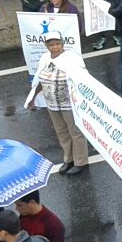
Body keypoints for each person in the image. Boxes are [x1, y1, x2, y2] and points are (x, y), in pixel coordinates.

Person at [24, 31, 88, 175]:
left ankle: (80, 161)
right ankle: (68, 159)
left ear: (62, 43)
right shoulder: (45, 58)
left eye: (57, 44)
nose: (55, 47)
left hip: (69, 103)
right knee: (61, 132)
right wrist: (33, 97)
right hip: (52, 103)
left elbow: (82, 78)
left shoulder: (71, 58)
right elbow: (40, 79)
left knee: (75, 132)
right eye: (51, 45)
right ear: (46, 46)